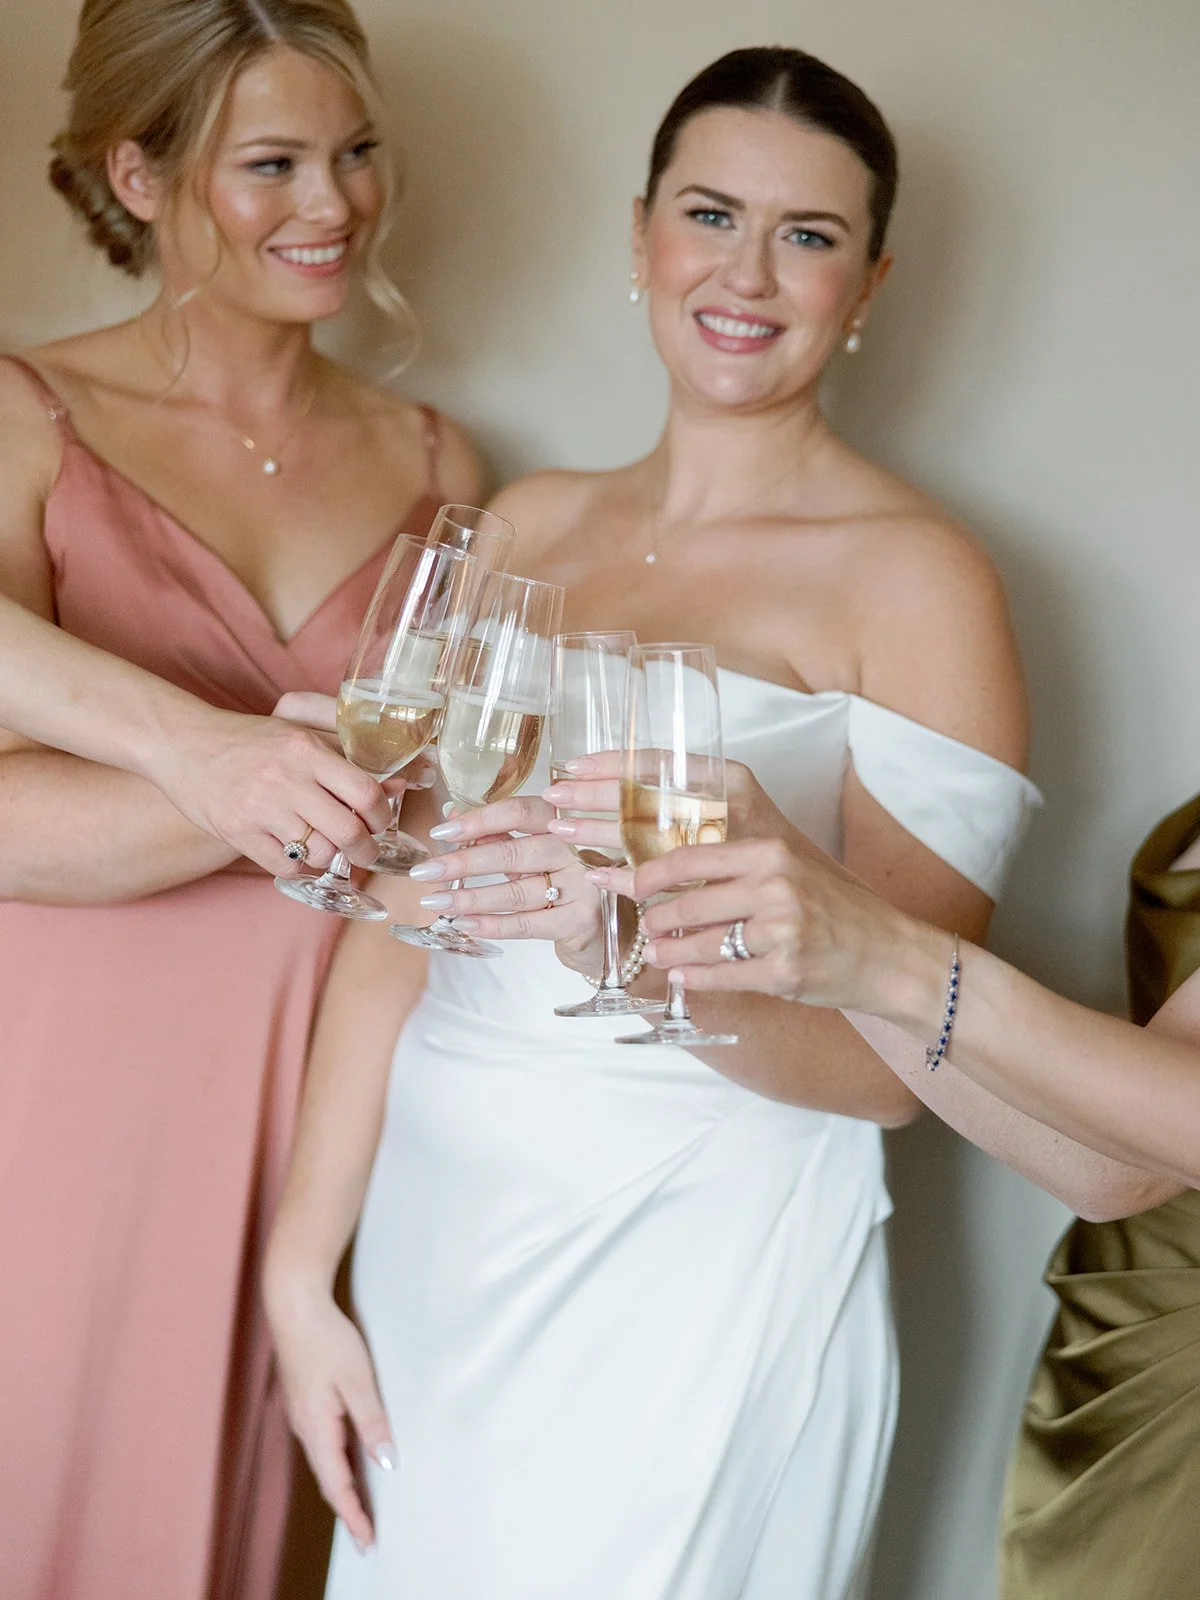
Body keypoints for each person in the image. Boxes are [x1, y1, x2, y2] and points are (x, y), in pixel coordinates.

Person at [265, 46, 1039, 1599]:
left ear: (868, 279)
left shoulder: (919, 581)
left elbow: (907, 1059)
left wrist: (622, 935)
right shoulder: (530, 522)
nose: (747, 274)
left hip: (699, 1262)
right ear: (640, 239)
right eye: (710, 214)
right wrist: (301, 1270)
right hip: (440, 1242)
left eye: (808, 235)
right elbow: (393, 930)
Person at [0, 1, 481, 1596]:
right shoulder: (24, 413)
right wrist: (222, 768)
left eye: (354, 152)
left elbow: (433, 849)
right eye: (271, 162)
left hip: (326, 1110)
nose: (335, 205)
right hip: (58, 1095)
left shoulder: (439, 464)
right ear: (136, 175)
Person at [628, 786, 1200, 1599]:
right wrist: (797, 898)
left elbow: (1148, 1157)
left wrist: (890, 954)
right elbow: (1104, 1163)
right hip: (1123, 1343)